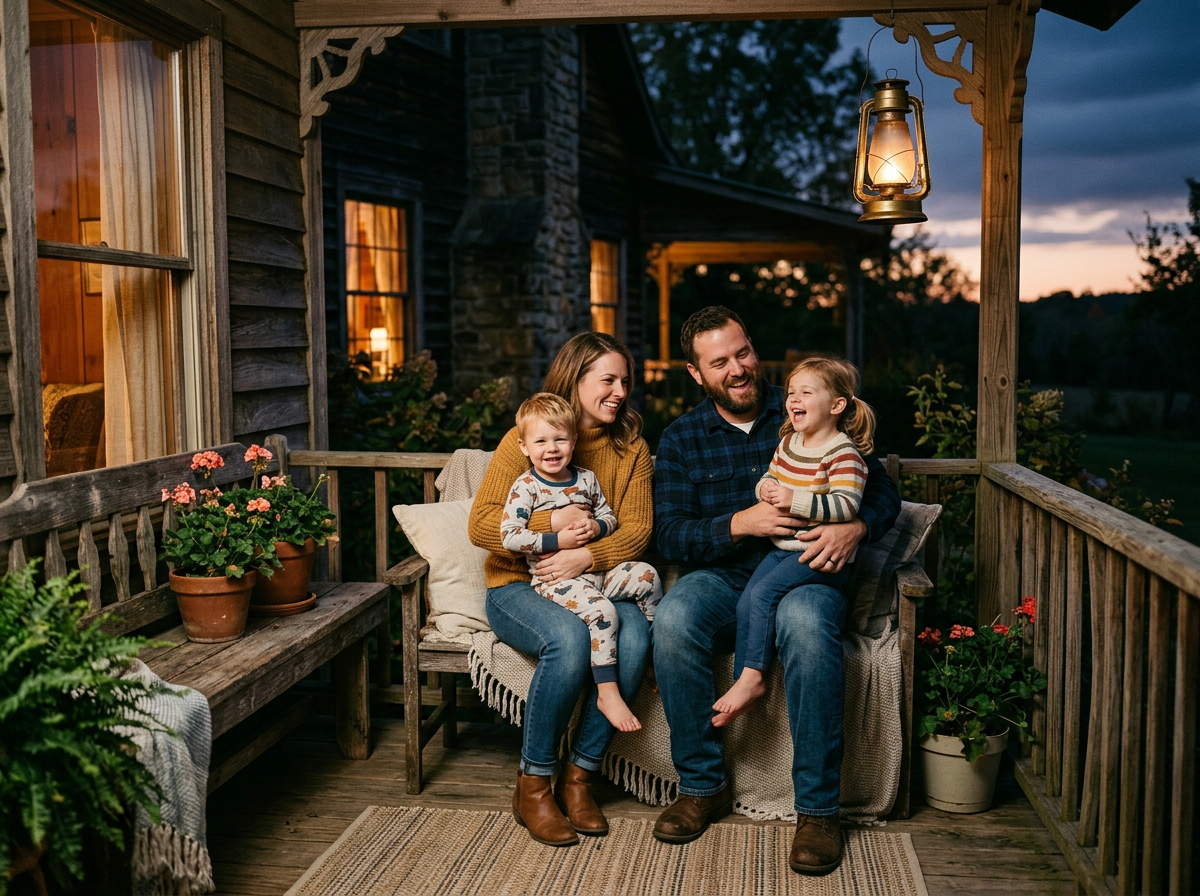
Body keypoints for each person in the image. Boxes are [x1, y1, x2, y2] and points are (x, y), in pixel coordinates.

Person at [651, 306, 900, 875]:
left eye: (743, 353)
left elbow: (879, 491)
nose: (738, 369)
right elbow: (669, 534)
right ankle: (701, 785)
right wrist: (741, 523)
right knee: (673, 619)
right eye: (720, 363)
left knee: (810, 627)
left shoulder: (800, 406)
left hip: (806, 568)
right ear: (696, 373)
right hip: (726, 574)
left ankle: (817, 811)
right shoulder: (684, 437)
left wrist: (855, 527)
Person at [468, 332, 656, 848]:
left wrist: (585, 552)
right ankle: (533, 786)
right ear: (575, 380)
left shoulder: (630, 448)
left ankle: (580, 778)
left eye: (625, 381)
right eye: (608, 380)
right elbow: (483, 525)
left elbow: (637, 530)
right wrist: (558, 522)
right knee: (569, 640)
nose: (620, 391)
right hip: (518, 586)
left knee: (637, 638)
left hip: (592, 580)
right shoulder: (525, 438)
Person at [713, 357, 875, 725]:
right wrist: (766, 488)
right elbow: (771, 477)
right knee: (748, 601)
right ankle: (747, 684)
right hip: (784, 549)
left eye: (806, 392)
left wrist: (793, 500)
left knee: (763, 595)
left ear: (837, 405)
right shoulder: (789, 443)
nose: (793, 399)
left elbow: (846, 504)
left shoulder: (843, 453)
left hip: (820, 557)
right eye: (791, 392)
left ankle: (752, 680)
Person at [500, 391, 661, 733]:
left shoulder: (586, 479)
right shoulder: (525, 487)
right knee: (604, 613)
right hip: (555, 580)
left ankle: (652, 656)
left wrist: (596, 526)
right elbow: (510, 536)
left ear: (574, 440)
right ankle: (607, 692)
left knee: (647, 576)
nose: (552, 448)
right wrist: (557, 539)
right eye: (541, 441)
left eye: (560, 439)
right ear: (524, 447)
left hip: (598, 571)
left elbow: (609, 517)